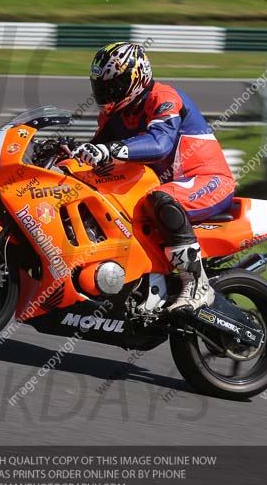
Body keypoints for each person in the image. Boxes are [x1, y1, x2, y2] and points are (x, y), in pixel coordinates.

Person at [70, 42, 235, 312]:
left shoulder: (163, 97)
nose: (107, 92)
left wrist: (108, 150)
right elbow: (94, 155)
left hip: (208, 180)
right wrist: (68, 154)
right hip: (164, 185)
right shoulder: (115, 114)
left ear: (138, 77)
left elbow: (160, 143)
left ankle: (197, 285)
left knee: (161, 200)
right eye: (101, 86)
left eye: (115, 84)